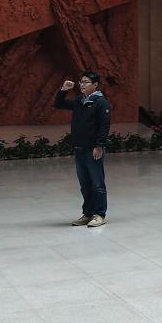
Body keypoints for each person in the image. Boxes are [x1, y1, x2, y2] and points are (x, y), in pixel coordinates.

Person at [55, 73, 112, 227]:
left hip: (93, 149)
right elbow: (59, 104)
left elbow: (104, 126)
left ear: (95, 84)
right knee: (85, 184)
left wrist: (99, 145)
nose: (82, 84)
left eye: (86, 82)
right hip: (79, 147)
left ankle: (99, 214)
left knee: (97, 183)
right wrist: (63, 90)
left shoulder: (101, 103)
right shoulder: (80, 101)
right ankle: (88, 213)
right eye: (81, 82)